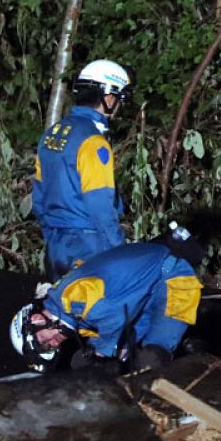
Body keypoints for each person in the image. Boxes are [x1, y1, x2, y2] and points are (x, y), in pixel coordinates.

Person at [9, 226, 205, 373]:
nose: (54, 341)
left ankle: (195, 363)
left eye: (45, 341)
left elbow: (114, 315)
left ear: (36, 320)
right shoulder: (70, 311)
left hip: (172, 279)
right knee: (88, 361)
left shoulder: (71, 298)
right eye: (51, 347)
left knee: (152, 358)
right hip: (142, 293)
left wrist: (105, 352)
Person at [32, 59, 132, 278]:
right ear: (108, 98)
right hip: (89, 244)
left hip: (56, 244)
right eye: (119, 100)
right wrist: (120, 251)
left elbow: (39, 197)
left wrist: (50, 236)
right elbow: (100, 207)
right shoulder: (93, 142)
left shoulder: (51, 134)